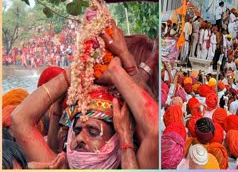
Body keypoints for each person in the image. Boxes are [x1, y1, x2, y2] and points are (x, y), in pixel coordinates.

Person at [10, 20, 159, 169]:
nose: (80, 138)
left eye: (94, 132)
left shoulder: (138, 162)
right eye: (76, 130)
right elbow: (19, 119)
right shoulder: (60, 166)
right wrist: (77, 69)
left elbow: (154, 130)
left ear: (117, 138)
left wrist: (115, 70)